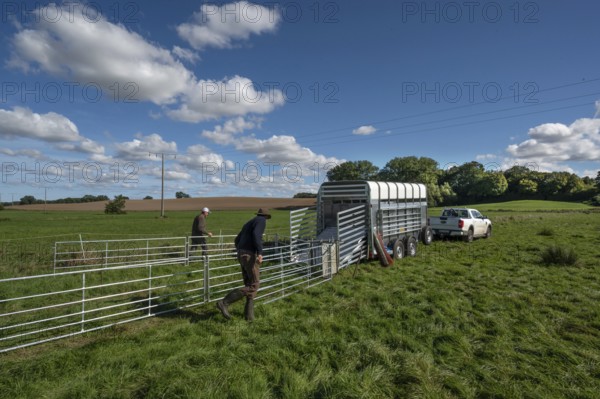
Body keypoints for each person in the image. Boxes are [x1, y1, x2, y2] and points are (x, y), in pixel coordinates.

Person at [216, 208, 271, 321]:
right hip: (249, 255)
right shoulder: (261, 221)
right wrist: (260, 252)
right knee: (254, 285)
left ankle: (249, 317)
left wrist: (242, 251)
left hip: (241, 253)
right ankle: (224, 302)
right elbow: (257, 235)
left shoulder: (248, 223)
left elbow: (237, 240)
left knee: (249, 284)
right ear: (265, 216)